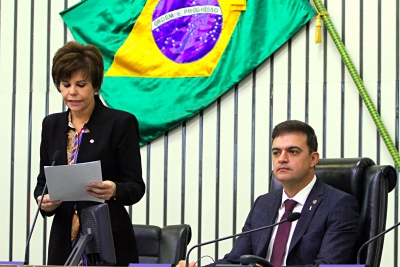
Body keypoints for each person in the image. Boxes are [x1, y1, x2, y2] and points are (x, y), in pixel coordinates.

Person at [179, 120, 359, 267]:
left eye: (293, 151)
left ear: (313, 159)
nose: (282, 158)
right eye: (276, 152)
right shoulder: (263, 204)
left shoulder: (339, 204)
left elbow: (327, 265)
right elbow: (235, 260)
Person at [34, 41, 145, 266]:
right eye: (65, 85)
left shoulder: (120, 123)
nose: (72, 92)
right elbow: (42, 183)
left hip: (107, 238)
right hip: (63, 241)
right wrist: (43, 201)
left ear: (95, 85)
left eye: (81, 84)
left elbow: (135, 187)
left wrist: (113, 189)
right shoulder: (51, 125)